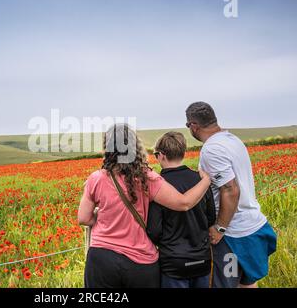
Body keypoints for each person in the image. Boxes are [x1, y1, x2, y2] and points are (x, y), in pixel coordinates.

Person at [78, 123, 211, 288]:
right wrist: (206, 180)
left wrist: (103, 217)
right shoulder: (147, 178)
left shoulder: (96, 178)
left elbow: (83, 218)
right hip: (140, 261)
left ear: (107, 148)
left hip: (102, 258)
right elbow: (184, 203)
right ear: (135, 147)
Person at [185, 102, 277, 288]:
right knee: (247, 283)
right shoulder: (232, 140)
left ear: (194, 126)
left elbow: (230, 189)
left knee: (226, 283)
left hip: (233, 237)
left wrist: (220, 228)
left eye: (188, 125)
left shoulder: (211, 149)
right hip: (253, 225)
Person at [151, 132, 216, 288]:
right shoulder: (201, 181)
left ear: (161, 155)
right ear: (183, 152)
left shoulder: (159, 186)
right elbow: (211, 218)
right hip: (202, 259)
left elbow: (154, 230)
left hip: (173, 263)